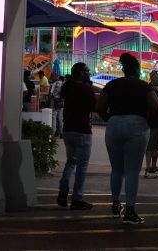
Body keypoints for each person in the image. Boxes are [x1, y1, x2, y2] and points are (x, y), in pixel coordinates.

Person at [95, 52, 158, 225]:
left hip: (114, 124)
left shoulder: (111, 85)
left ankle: (115, 205)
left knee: (117, 169)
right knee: (132, 170)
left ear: (124, 70)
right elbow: (156, 106)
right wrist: (148, 119)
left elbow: (100, 107)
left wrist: (109, 118)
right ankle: (130, 211)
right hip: (137, 125)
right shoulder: (143, 86)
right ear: (137, 70)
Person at [56, 63, 95, 210]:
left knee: (70, 162)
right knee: (82, 166)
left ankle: (63, 192)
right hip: (82, 130)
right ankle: (77, 197)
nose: (88, 73)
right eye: (86, 71)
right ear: (81, 73)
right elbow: (94, 106)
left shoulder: (68, 87)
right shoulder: (86, 89)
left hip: (68, 129)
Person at [51, 74, 66, 138]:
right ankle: (62, 133)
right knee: (60, 118)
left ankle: (53, 132)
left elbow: (51, 93)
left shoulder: (55, 83)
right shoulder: (64, 84)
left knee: (54, 117)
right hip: (61, 103)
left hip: (55, 102)